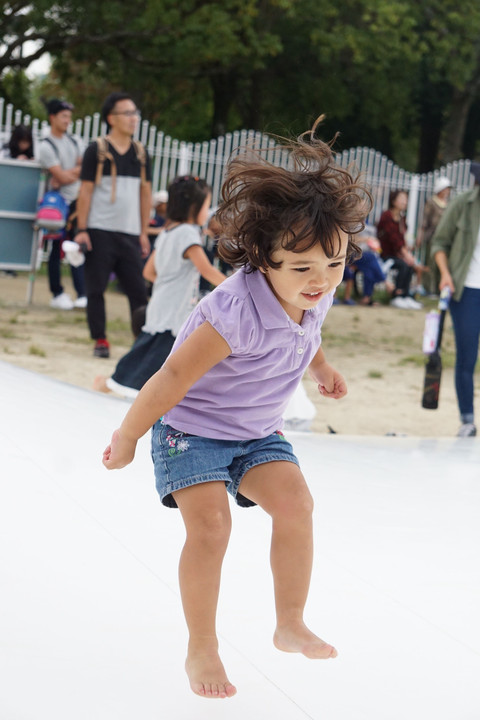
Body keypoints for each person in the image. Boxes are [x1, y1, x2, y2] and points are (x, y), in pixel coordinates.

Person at [102, 119, 372, 698]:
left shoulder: (313, 289)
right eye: (302, 269)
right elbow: (170, 376)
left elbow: (311, 327)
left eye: (336, 264)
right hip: (190, 432)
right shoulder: (232, 314)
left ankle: (290, 623)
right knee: (211, 528)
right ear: (263, 259)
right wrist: (128, 434)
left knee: (297, 504)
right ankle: (202, 648)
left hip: (255, 433)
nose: (321, 282)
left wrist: (320, 368)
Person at [93, 176, 226, 396]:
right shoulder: (188, 233)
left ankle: (113, 383)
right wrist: (236, 288)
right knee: (157, 353)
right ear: (194, 206)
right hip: (174, 307)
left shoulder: (167, 232)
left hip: (161, 300)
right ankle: (112, 383)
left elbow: (148, 272)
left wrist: (168, 282)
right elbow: (207, 270)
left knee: (150, 349)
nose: (208, 210)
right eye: (206, 204)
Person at [75, 92, 151, 358]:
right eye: (127, 113)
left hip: (130, 233)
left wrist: (143, 232)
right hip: (99, 230)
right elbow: (85, 191)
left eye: (135, 113)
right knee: (95, 289)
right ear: (111, 118)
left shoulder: (141, 153)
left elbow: (145, 193)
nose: (133, 118)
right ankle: (100, 340)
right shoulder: (96, 150)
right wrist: (82, 230)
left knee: (138, 292)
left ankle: (141, 343)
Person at [431, 162, 480, 438]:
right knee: (467, 357)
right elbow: (439, 243)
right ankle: (468, 419)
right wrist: (446, 275)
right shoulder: (463, 204)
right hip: (467, 291)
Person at [38, 99, 87, 310]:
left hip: (77, 202)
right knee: (56, 248)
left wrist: (68, 174)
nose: (68, 120)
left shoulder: (75, 141)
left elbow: (79, 171)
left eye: (69, 116)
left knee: (77, 247)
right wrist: (70, 173)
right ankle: (57, 292)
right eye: (64, 116)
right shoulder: (45, 145)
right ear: (53, 118)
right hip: (58, 205)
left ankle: (82, 292)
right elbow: (60, 176)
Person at [377, 190, 423, 309]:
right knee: (404, 265)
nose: (405, 201)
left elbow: (402, 239)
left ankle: (406, 296)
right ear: (393, 200)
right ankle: (397, 296)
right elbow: (394, 240)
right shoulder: (387, 216)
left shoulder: (402, 219)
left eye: (406, 199)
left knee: (408, 265)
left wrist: (406, 254)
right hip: (385, 255)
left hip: (397, 255)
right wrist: (406, 255)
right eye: (402, 198)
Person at [416, 176, 453, 295]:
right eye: (446, 188)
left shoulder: (449, 203)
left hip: (446, 237)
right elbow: (425, 221)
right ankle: (428, 289)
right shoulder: (431, 202)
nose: (448, 191)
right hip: (433, 237)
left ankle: (439, 289)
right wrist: (420, 235)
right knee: (431, 263)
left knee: (443, 264)